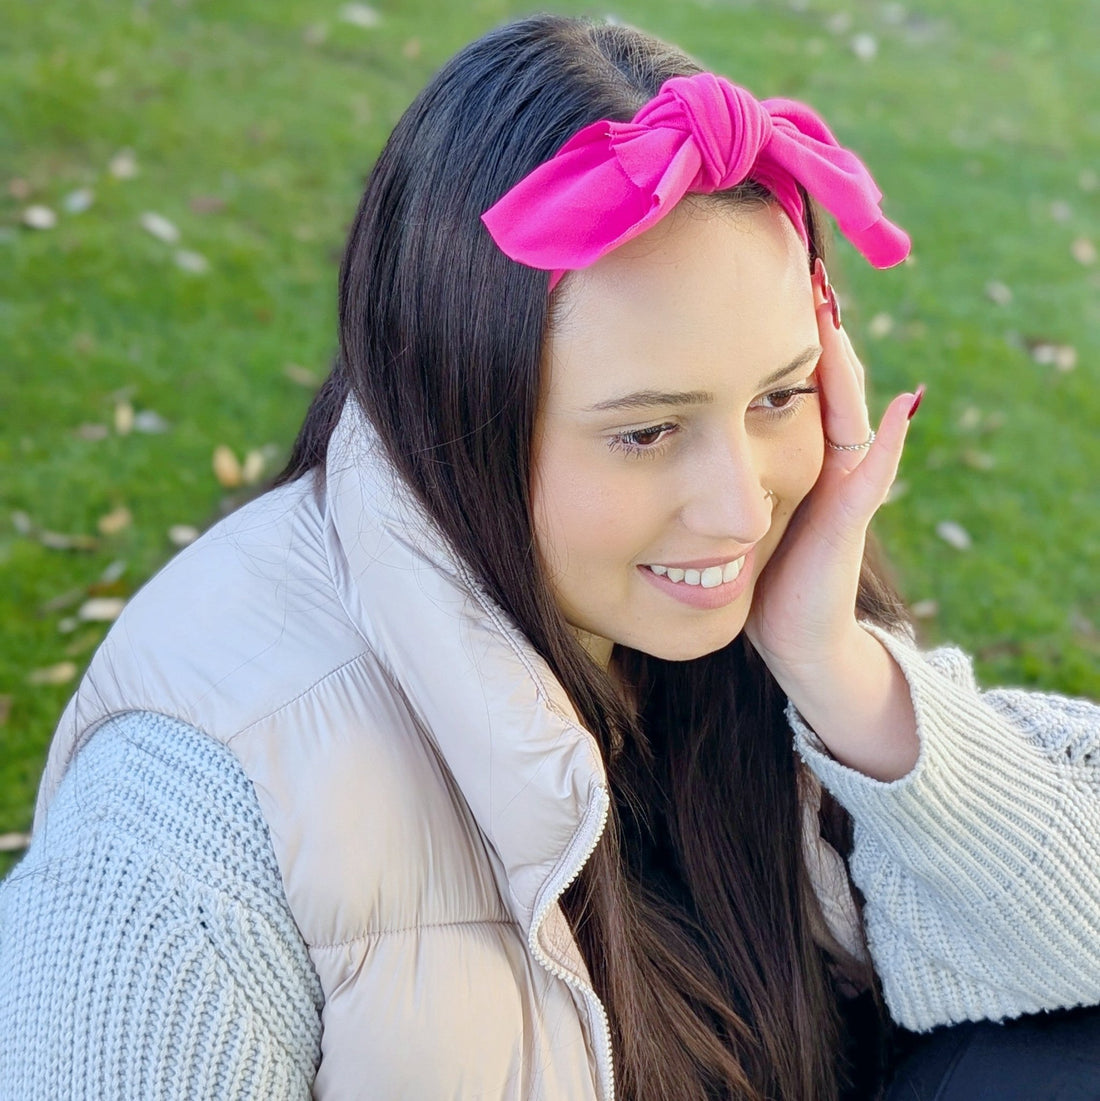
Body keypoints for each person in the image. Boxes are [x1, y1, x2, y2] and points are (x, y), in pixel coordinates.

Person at [1, 13, 1098, 1101]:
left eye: (777, 395)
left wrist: (841, 673)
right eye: (644, 431)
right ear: (452, 403)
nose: (738, 508)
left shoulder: (744, 643)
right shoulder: (191, 824)